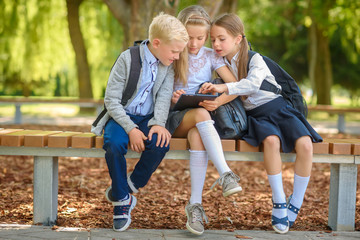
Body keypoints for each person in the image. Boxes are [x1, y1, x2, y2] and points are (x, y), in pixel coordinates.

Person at [201, 13, 323, 234]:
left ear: (238, 38)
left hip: (278, 108)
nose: (216, 44)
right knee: (271, 141)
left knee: (305, 144)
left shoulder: (255, 59)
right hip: (256, 115)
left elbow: (253, 84)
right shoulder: (219, 63)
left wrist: (224, 88)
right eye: (213, 39)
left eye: (222, 38)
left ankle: (295, 201)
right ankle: (278, 202)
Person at [91, 13, 189, 232]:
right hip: (121, 116)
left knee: (162, 142)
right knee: (114, 144)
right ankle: (121, 204)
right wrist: (131, 129)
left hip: (147, 118)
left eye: (179, 52)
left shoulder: (167, 65)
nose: (177, 56)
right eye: (174, 51)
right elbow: (111, 100)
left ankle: (126, 187)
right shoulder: (128, 59)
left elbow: (164, 98)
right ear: (156, 43)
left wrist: (158, 123)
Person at [165, 6, 242, 235]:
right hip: (173, 118)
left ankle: (195, 205)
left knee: (199, 132)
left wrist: (217, 100)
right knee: (201, 115)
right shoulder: (174, 53)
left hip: (199, 122)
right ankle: (226, 173)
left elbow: (235, 87)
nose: (194, 43)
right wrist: (172, 97)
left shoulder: (211, 56)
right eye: (189, 37)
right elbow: (156, 91)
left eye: (200, 38)